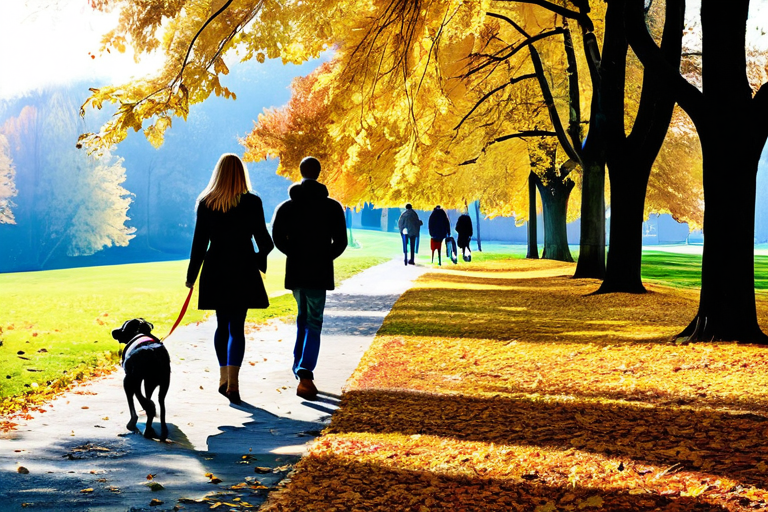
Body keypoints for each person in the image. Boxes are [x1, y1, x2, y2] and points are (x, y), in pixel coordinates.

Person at [186, 153, 274, 405]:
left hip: (216, 268)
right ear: (242, 173)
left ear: (218, 173)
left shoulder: (206, 202)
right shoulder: (252, 202)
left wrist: (192, 276)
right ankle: (234, 383)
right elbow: (266, 243)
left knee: (221, 325)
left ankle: (223, 378)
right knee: (237, 327)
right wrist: (257, 259)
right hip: (243, 267)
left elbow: (199, 244)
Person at [271, 156, 348, 401]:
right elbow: (342, 242)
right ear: (319, 172)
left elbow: (277, 238)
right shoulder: (332, 207)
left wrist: (293, 253)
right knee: (313, 321)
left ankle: (300, 368)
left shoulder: (287, 207)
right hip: (319, 270)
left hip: (296, 270)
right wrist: (325, 257)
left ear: (301, 172)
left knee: (303, 317)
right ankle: (305, 371)